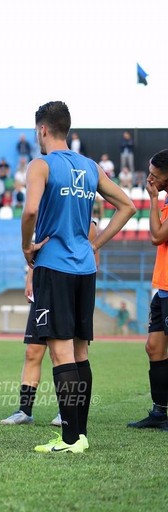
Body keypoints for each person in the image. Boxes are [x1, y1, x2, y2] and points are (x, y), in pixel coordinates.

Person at [22, 101, 135, 453]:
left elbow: (30, 210)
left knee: (60, 352)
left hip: (54, 267)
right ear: (66, 129)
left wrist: (27, 246)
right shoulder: (90, 167)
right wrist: (95, 243)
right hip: (85, 269)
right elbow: (128, 206)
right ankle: (79, 435)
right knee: (81, 351)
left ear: (42, 129)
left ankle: (70, 439)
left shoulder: (40, 165)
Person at [2, 222, 98, 427]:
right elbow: (37, 253)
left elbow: (93, 258)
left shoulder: (88, 224)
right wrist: (30, 280)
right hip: (45, 290)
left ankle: (67, 411)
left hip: (68, 291)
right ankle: (24, 410)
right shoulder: (47, 219)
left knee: (67, 354)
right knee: (32, 352)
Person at [127, 149, 168, 430]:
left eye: (156, 174)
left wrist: (152, 199)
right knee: (154, 347)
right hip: (163, 286)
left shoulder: (161, 199)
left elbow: (156, 236)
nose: (150, 177)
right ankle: (159, 412)